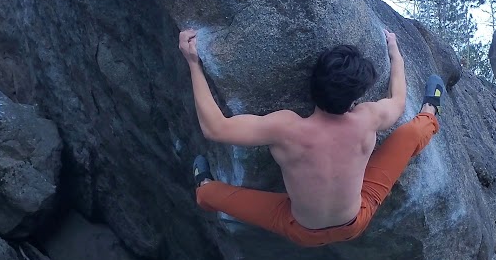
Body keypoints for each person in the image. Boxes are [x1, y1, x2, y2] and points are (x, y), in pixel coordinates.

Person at [179, 27, 444, 247]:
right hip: (354, 222)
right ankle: (430, 110)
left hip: (300, 229)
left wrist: (193, 64)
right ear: (355, 98)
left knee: (212, 194)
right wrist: (394, 51)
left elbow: (216, 128)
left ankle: (205, 188)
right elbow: (397, 100)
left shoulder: (286, 129)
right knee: (411, 133)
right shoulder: (367, 119)